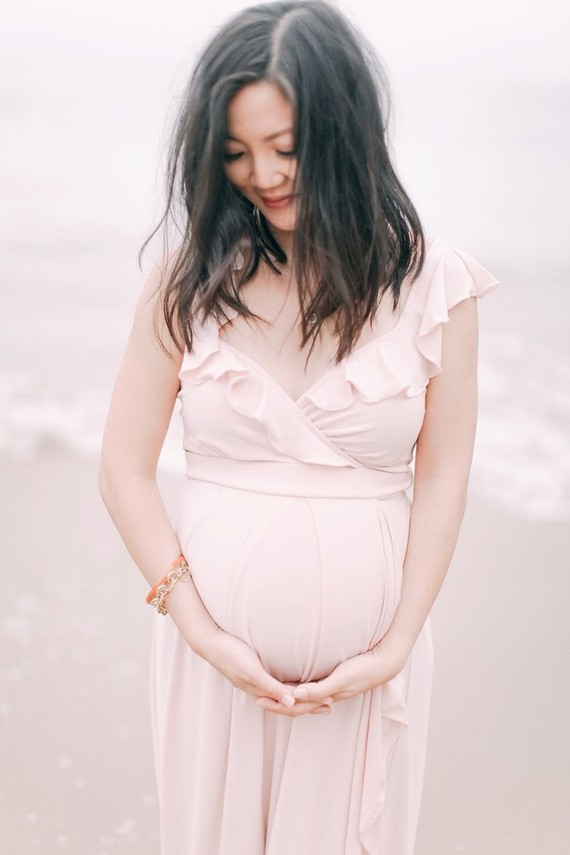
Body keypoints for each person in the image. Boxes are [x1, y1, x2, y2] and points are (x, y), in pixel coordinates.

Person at [99, 2, 499, 853]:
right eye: (236, 153)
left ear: (346, 127)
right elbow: (124, 467)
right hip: (215, 671)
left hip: (363, 681)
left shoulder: (437, 288)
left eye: (286, 147)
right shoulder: (185, 283)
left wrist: (392, 646)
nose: (263, 174)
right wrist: (200, 629)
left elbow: (442, 475)